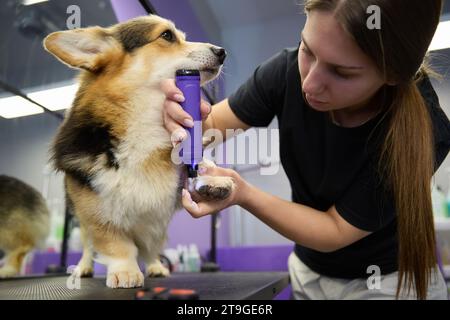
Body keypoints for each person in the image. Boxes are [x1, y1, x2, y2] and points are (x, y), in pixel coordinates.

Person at [161, 0, 450, 299]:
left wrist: (242, 193)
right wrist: (178, 114)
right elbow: (210, 129)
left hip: (390, 283)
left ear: (392, 75)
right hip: (308, 273)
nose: (310, 84)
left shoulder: (426, 129)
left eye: (341, 72)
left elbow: (334, 230)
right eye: (307, 50)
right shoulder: (285, 71)